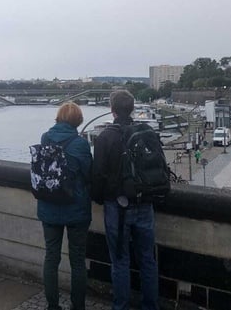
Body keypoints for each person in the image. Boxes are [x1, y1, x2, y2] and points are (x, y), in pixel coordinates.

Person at [91, 90, 159, 310]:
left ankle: (121, 307)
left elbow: (98, 175)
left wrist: (98, 198)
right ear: (132, 108)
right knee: (148, 260)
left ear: (112, 109)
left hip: (117, 207)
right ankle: (151, 306)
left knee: (120, 261)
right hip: (145, 203)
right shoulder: (147, 132)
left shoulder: (105, 137)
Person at [37, 102, 92, 310]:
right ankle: (78, 306)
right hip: (76, 210)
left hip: (49, 207)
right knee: (77, 261)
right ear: (78, 121)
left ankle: (52, 306)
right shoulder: (80, 144)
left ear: (58, 118)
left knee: (51, 258)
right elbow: (89, 174)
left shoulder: (45, 138)